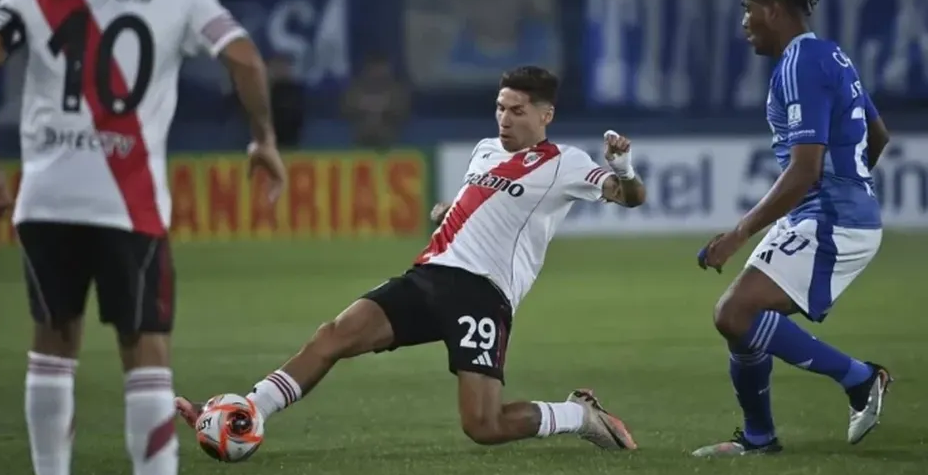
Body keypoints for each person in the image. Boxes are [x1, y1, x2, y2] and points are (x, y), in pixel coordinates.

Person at [0, 0, 287, 475]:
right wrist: (263, 139)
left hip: (46, 196)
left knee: (53, 346)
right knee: (146, 352)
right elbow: (247, 60)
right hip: (128, 201)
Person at [177, 66, 646, 450]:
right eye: (500, 108)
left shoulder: (565, 162)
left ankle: (578, 415)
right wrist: (449, 210)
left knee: (483, 426)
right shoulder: (484, 151)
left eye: (517, 111)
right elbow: (480, 205)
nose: (504, 119)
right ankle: (247, 411)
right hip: (429, 277)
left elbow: (629, 198)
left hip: (482, 295)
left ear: (546, 115)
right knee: (332, 336)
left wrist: (622, 167)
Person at [693, 0, 892, 457]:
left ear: (773, 10)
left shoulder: (801, 63)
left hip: (831, 217)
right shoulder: (832, 56)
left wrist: (738, 233)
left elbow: (805, 169)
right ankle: (759, 438)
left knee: (734, 312)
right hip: (829, 212)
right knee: (740, 319)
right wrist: (852, 184)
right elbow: (879, 134)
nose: (743, 21)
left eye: (747, 9)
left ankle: (861, 379)